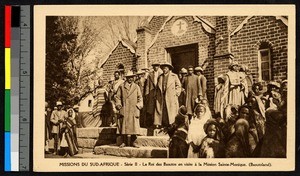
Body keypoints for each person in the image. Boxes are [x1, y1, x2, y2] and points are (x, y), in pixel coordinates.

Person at [115, 70, 143, 147]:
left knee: (134, 126)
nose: (130, 79)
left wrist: (139, 105)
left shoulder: (136, 87)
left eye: (132, 77)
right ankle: (124, 142)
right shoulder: (121, 86)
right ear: (126, 78)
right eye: (129, 77)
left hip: (134, 108)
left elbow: (140, 97)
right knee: (124, 126)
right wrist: (118, 104)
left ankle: (133, 142)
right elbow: (118, 97)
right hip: (125, 108)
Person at [154, 62, 181, 128]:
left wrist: (176, 93)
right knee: (162, 111)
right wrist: (156, 95)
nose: (164, 70)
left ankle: (171, 124)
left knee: (171, 111)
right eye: (163, 68)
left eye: (165, 68)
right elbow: (157, 87)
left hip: (171, 97)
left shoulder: (174, 76)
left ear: (169, 69)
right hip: (161, 97)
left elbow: (178, 86)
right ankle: (162, 125)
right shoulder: (160, 77)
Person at [144, 62, 163, 128]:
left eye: (157, 66)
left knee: (158, 107)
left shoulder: (161, 74)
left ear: (159, 67)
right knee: (151, 108)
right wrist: (147, 94)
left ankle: (159, 123)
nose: (156, 67)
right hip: (151, 92)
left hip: (158, 93)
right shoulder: (150, 74)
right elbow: (147, 85)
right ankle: (152, 123)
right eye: (154, 66)